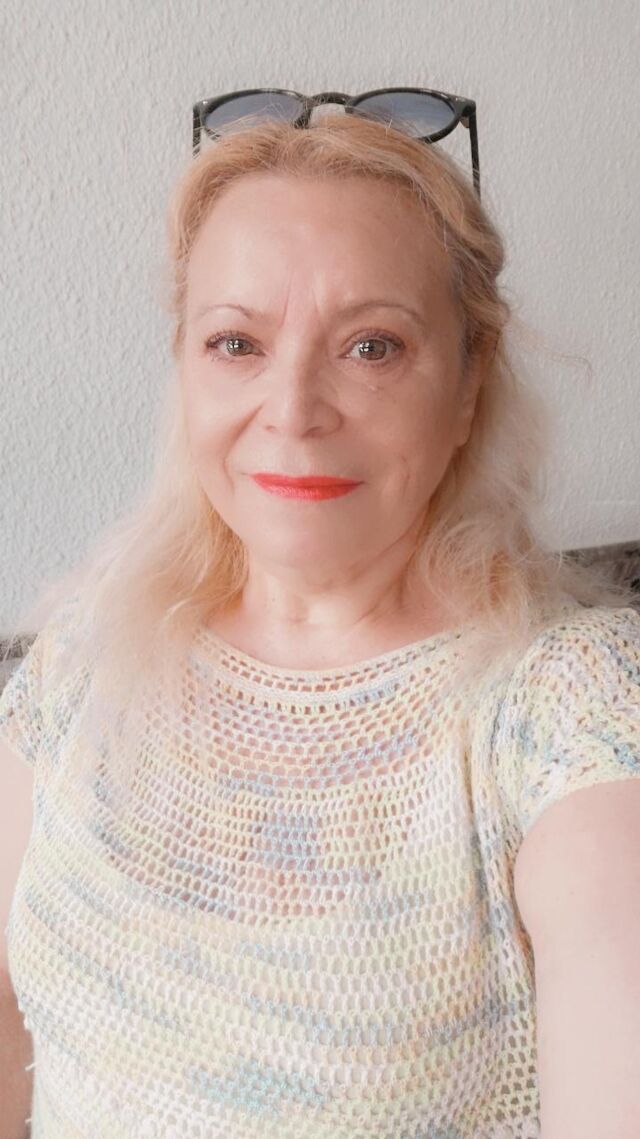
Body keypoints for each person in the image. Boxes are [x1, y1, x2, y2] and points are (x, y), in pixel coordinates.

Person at [1, 106, 639, 1139]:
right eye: (236, 343)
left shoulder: (575, 711)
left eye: (371, 346)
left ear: (469, 380)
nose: (292, 408)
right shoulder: (89, 649)